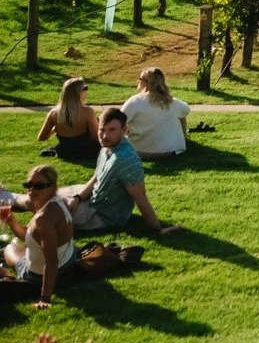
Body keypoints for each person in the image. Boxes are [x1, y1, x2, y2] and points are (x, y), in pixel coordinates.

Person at [59, 110, 178, 239]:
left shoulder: (126, 159)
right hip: (92, 198)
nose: (105, 136)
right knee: (43, 196)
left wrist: (157, 229)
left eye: (112, 130)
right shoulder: (107, 147)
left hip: (101, 214)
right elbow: (96, 178)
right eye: (102, 130)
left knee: (49, 210)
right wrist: (77, 198)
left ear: (124, 130)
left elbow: (140, 197)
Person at [1, 166, 76, 308]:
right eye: (28, 185)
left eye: (39, 186)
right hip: (68, 259)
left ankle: (6, 273)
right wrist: (12, 222)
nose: (31, 190)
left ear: (52, 186)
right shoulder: (59, 202)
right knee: (18, 247)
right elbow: (29, 235)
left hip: (39, 275)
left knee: (9, 249)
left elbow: (51, 262)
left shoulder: (44, 219)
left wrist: (45, 298)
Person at [120, 68, 190, 158]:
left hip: (140, 152)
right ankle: (183, 140)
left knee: (122, 125)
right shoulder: (172, 102)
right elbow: (186, 110)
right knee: (181, 115)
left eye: (140, 79)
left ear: (147, 82)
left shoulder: (135, 101)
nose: (138, 81)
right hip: (173, 151)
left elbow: (119, 121)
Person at [37, 80, 101, 168]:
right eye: (85, 88)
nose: (86, 91)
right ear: (78, 92)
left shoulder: (54, 113)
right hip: (87, 152)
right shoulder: (88, 112)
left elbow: (42, 137)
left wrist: (55, 129)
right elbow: (96, 138)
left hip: (65, 152)